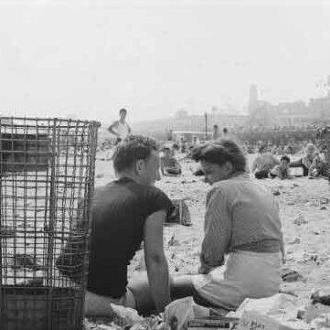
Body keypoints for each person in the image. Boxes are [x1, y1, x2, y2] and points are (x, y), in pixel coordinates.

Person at [57, 135, 174, 316]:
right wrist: (166, 314)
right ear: (140, 166)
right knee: (166, 283)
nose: (158, 177)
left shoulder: (93, 194)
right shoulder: (153, 196)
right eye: (156, 169)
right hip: (95, 301)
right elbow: (156, 258)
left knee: (140, 279)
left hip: (59, 287)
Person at [182, 139, 284, 310]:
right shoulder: (262, 189)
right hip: (270, 286)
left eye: (209, 172)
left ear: (228, 167)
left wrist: (204, 270)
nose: (206, 179)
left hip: (245, 284)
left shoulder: (221, 189)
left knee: (163, 286)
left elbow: (213, 250)